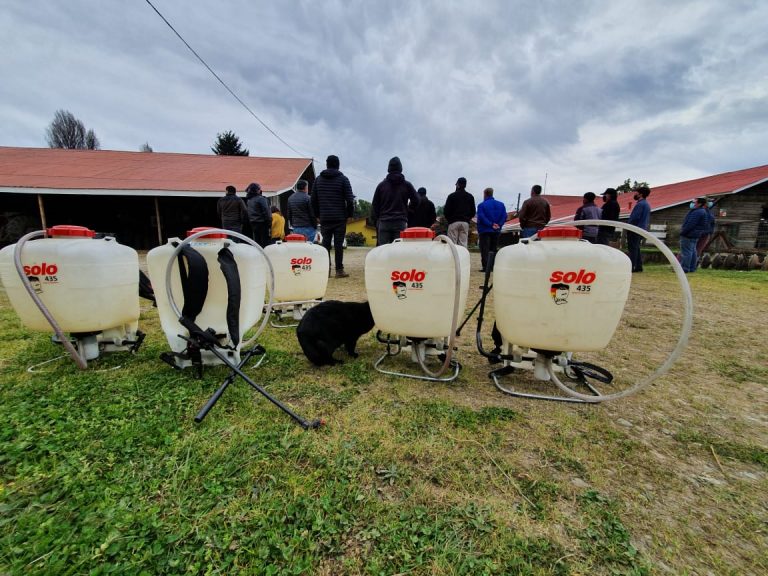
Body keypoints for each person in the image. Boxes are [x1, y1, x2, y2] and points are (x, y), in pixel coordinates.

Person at [311, 155, 355, 278]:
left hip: (325, 217)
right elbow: (350, 200)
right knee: (338, 244)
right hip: (340, 217)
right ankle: (339, 270)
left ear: (327, 164)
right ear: (338, 165)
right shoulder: (343, 179)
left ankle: (326, 270)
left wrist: (317, 215)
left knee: (325, 243)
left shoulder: (318, 180)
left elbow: (313, 200)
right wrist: (349, 214)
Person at [371, 156, 420, 245]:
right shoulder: (407, 185)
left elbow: (375, 205)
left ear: (389, 168)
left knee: (382, 252)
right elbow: (416, 200)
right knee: (398, 252)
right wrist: (408, 210)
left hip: (384, 221)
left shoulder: (381, 186)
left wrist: (379, 217)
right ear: (401, 168)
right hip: (400, 221)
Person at [476, 187, 507, 271]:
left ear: (485, 194)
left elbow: (482, 217)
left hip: (485, 230)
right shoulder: (501, 204)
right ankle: (492, 266)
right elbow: (504, 216)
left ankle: (486, 267)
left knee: (485, 248)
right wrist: (498, 224)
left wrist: (490, 224)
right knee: (493, 248)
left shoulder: (481, 205)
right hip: (496, 230)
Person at [680, 197, 710, 273]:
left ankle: (685, 268)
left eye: (695, 202)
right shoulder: (702, 211)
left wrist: (683, 232)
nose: (693, 203)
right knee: (692, 251)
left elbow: (690, 224)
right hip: (695, 234)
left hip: (689, 234)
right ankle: (692, 268)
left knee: (686, 252)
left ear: (699, 203)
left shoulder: (697, 212)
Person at [443, 177, 476, 248]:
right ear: (465, 185)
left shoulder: (451, 196)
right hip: (465, 223)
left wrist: (450, 220)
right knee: (463, 244)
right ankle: (462, 258)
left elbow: (446, 211)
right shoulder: (470, 197)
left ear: (457, 185)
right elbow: (473, 212)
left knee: (452, 244)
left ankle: (453, 259)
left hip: (453, 222)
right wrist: (467, 219)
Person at [626, 185, 652, 272]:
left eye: (636, 192)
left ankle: (632, 266)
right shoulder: (646, 204)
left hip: (635, 229)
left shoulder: (640, 204)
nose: (635, 194)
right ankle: (638, 266)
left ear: (640, 194)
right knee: (636, 247)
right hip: (642, 229)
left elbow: (635, 218)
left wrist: (628, 226)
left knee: (632, 248)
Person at [245, 182, 271, 247]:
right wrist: (269, 222)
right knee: (265, 242)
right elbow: (266, 211)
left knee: (257, 242)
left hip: (253, 223)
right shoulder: (261, 199)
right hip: (262, 223)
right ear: (257, 190)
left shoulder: (249, 200)